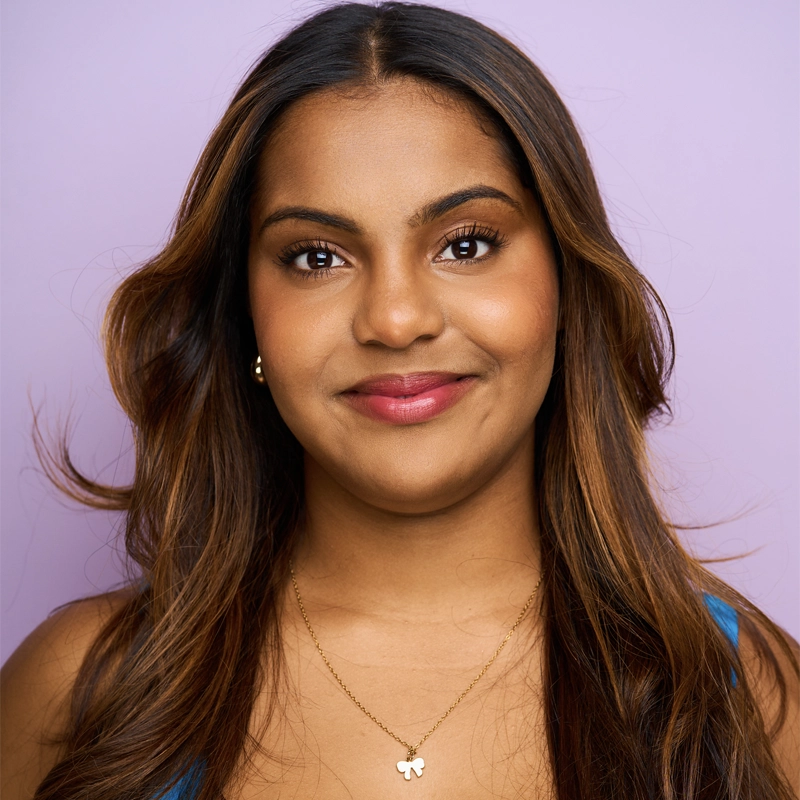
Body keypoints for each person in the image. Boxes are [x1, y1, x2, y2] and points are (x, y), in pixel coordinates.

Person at [1, 3, 798, 798]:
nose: (395, 318)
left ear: (565, 286)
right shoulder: (79, 692)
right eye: (316, 256)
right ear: (244, 313)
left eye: (466, 244)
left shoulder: (745, 697)